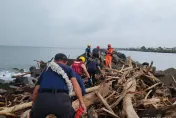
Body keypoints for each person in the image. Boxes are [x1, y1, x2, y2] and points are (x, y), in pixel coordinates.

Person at [30, 53, 86, 118]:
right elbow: (76, 86)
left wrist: (34, 105)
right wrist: (81, 103)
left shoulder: (46, 69)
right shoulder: (69, 69)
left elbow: (36, 90)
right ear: (66, 62)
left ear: (54, 60)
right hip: (62, 101)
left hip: (43, 100)